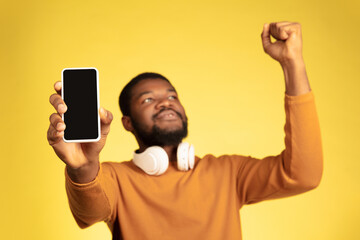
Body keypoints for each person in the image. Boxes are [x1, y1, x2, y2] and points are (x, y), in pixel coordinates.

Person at [47, 22, 323, 239]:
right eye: (147, 99)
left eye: (172, 96)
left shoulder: (227, 173)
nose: (165, 102)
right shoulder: (115, 178)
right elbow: (89, 213)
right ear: (127, 122)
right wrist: (83, 166)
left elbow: (302, 175)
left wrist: (292, 63)